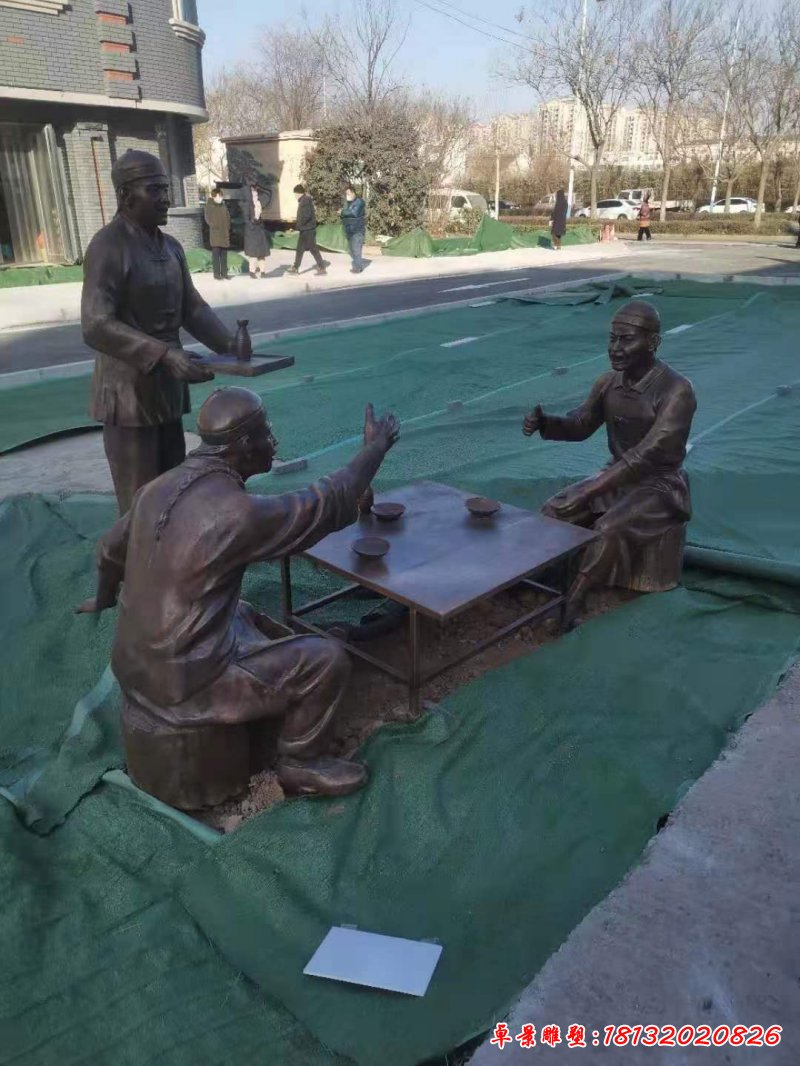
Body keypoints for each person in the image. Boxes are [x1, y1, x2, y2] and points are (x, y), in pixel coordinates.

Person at [76, 388, 400, 808]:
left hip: (134, 665)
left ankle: (272, 686)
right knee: (327, 660)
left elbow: (107, 551)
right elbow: (324, 502)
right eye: (267, 432)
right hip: (185, 684)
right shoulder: (235, 513)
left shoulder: (157, 488)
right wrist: (375, 448)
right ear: (245, 444)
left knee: (241, 611)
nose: (274, 442)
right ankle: (302, 762)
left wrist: (103, 599)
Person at [522, 300, 696, 628]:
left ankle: (573, 603)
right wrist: (548, 423)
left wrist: (589, 491)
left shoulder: (677, 391)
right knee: (553, 510)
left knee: (607, 529)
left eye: (626, 339)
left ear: (653, 342)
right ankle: (543, 582)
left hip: (660, 485)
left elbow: (644, 456)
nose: (615, 348)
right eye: (612, 338)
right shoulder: (607, 383)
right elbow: (581, 424)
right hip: (617, 476)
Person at [81, 149, 232, 516]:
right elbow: (96, 323)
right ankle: (134, 554)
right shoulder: (108, 246)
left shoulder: (171, 247)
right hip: (127, 394)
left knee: (172, 491)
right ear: (125, 195)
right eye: (155, 190)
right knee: (140, 501)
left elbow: (192, 308)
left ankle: (170, 550)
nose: (165, 198)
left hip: (165, 389)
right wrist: (164, 355)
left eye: (166, 189)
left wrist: (230, 344)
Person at [287, 183, 326, 276]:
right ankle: (295, 267)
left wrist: (298, 225)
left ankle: (322, 268)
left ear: (299, 193)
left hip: (308, 230)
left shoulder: (305, 201)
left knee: (313, 249)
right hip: (304, 229)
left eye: (295, 194)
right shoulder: (304, 200)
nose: (295, 196)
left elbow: (307, 215)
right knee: (300, 249)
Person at [243, 180, 270, 278]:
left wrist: (259, 222)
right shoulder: (247, 203)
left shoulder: (258, 202)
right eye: (253, 191)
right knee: (253, 253)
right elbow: (245, 218)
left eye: (256, 191)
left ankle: (263, 271)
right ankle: (252, 271)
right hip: (252, 230)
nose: (255, 193)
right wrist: (252, 224)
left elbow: (260, 214)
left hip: (259, 228)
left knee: (262, 252)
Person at [204, 187, 231, 280]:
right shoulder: (209, 206)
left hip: (224, 233)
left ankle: (224, 273)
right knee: (216, 256)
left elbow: (228, 217)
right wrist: (213, 225)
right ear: (214, 196)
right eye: (219, 196)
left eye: (221, 196)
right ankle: (217, 274)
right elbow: (207, 218)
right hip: (215, 234)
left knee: (224, 255)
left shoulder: (223, 206)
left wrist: (228, 226)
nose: (220, 198)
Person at [341, 185, 366, 273]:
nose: (348, 195)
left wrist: (343, 212)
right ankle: (357, 264)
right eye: (346, 194)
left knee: (356, 249)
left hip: (357, 230)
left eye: (349, 193)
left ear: (353, 193)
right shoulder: (347, 203)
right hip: (349, 230)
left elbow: (354, 213)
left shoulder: (359, 202)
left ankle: (358, 268)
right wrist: (344, 212)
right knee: (351, 250)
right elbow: (344, 213)